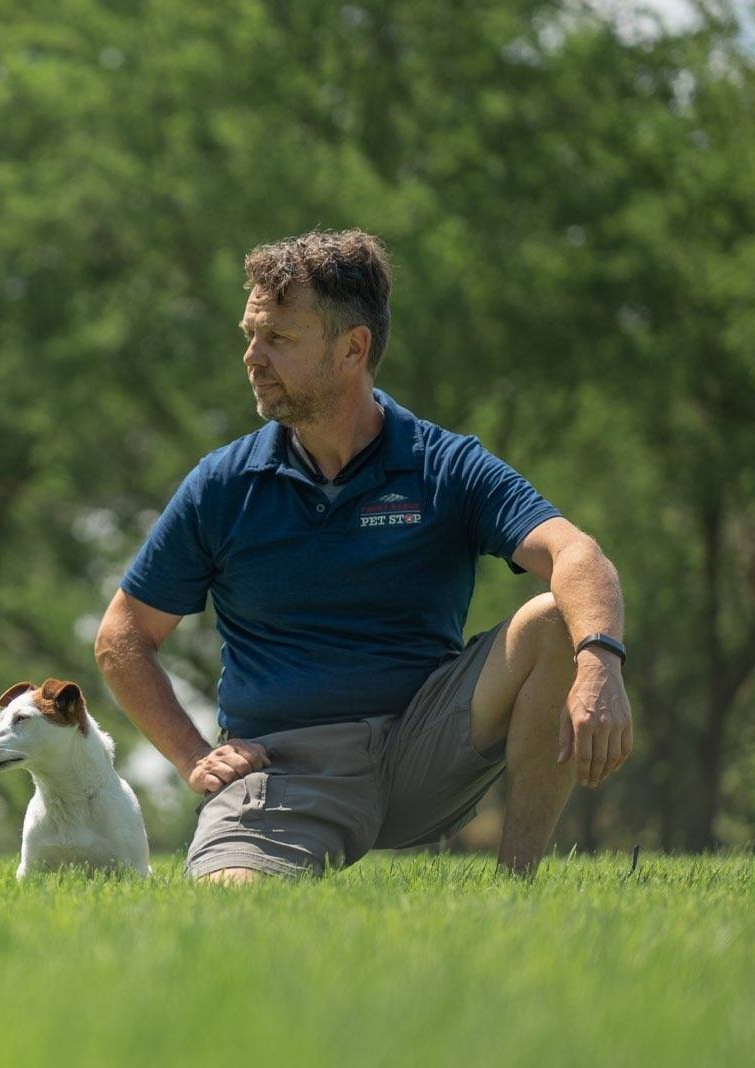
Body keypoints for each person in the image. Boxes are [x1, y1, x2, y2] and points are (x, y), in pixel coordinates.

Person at [94, 229, 632, 882]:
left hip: (423, 751)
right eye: (251, 334)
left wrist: (600, 662)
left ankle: (517, 885)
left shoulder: (443, 465)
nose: (251, 357)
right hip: (283, 772)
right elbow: (123, 637)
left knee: (554, 618)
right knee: (229, 912)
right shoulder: (222, 484)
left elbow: (576, 552)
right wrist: (189, 757)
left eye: (278, 339)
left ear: (354, 348)